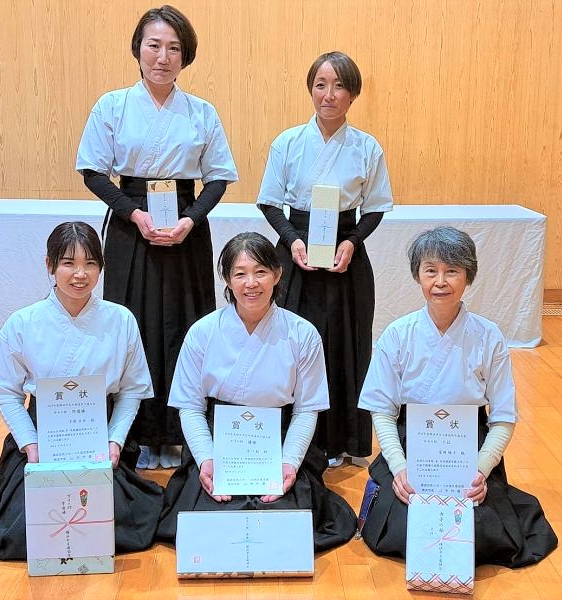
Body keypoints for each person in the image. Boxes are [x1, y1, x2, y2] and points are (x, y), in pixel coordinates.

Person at [75, 5, 238, 470]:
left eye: (173, 48)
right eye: (154, 45)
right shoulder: (112, 106)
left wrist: (190, 220)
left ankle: (183, 434)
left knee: (186, 325)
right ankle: (136, 435)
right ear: (138, 49)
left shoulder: (201, 112)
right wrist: (134, 214)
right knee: (132, 325)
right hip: (131, 226)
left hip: (186, 225)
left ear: (185, 56)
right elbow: (93, 171)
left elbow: (219, 178)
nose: (162, 57)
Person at [0, 222, 163, 560]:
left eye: (90, 264)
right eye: (68, 263)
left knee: (118, 524)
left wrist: (114, 441)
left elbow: (131, 391)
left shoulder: (120, 319)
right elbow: (7, 393)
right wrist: (30, 444)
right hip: (40, 435)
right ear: (49, 265)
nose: (80, 274)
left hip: (99, 435)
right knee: (22, 529)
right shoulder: (23, 323)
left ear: (101, 267)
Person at [357, 226, 558, 567]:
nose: (440, 281)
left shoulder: (488, 335)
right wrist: (400, 468)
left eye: (452, 271)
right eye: (430, 270)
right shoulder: (397, 334)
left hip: (469, 446)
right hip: (412, 442)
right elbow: (383, 411)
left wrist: (481, 470)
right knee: (405, 526)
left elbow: (503, 416)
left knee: (477, 529)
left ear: (468, 276)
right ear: (417, 276)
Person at [157, 232, 357, 552]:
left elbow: (307, 409)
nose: (251, 283)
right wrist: (206, 458)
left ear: (277, 274)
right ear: (227, 279)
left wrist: (289, 462)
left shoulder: (302, 333)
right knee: (210, 513)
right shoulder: (202, 332)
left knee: (283, 513)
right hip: (218, 439)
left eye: (260, 271)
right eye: (240, 274)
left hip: (278, 439)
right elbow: (191, 407)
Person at [257, 51, 392, 467]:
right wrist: (292, 240)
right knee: (292, 343)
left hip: (345, 253)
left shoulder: (366, 147)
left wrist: (352, 242)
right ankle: (293, 439)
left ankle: (343, 440)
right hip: (296, 250)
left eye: (338, 86)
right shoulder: (288, 142)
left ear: (353, 94)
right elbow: (269, 202)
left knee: (346, 343)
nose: (328, 95)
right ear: (310, 89)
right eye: (320, 85)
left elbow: (375, 207)